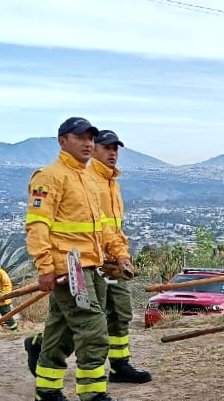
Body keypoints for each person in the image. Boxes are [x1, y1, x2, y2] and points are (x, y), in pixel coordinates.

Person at [24, 131, 152, 383]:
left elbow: (107, 228)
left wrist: (120, 255)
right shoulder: (74, 178)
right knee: (89, 323)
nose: (113, 153)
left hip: (104, 261)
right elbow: (42, 226)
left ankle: (118, 365)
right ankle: (85, 389)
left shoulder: (108, 184)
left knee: (117, 313)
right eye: (107, 148)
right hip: (79, 265)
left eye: (116, 148)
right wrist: (46, 266)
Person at [0, 266, 19, 332]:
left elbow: (7, 285)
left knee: (7, 318)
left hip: (3, 301)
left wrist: (3, 296)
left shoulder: (1, 273)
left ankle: (15, 331)